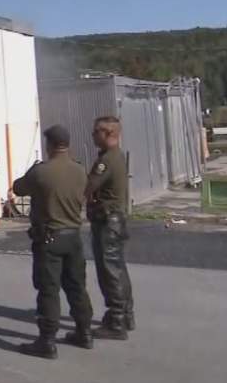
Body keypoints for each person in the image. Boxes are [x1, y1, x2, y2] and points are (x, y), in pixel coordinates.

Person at [12, 125, 93, 359]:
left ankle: (47, 340)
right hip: (74, 236)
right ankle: (84, 332)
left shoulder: (41, 172)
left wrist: (33, 169)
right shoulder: (79, 170)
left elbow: (18, 188)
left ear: (49, 145)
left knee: (48, 289)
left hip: (49, 238)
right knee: (77, 286)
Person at [88, 116, 135, 339]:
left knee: (110, 271)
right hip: (115, 219)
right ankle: (125, 313)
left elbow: (88, 186)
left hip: (107, 221)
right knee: (118, 268)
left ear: (108, 134)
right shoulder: (117, 156)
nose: (93, 135)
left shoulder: (106, 160)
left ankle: (117, 321)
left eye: (96, 131)